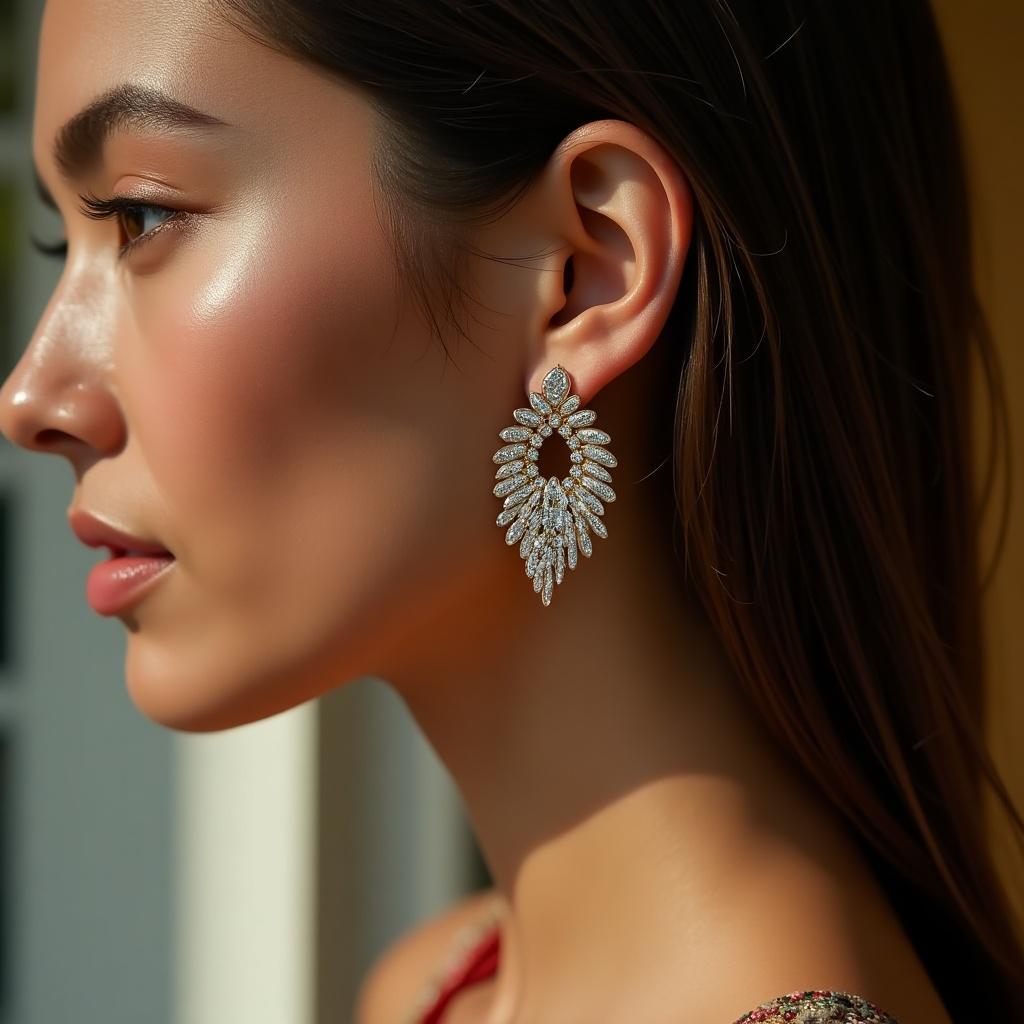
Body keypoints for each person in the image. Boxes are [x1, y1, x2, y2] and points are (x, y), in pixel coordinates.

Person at [2, 1, 1022, 1021]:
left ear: (585, 270)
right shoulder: (435, 988)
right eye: (61, 241)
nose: (32, 398)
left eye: (139, 217)